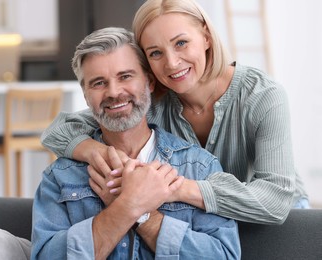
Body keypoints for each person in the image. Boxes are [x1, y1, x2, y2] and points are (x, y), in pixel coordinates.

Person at [41, 0, 309, 224]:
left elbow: (275, 201)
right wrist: (98, 153)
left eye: (181, 43)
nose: (171, 62)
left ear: (205, 36)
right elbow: (58, 130)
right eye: (156, 53)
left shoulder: (263, 96)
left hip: (277, 225)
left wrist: (174, 188)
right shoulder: (154, 102)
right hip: (211, 221)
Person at [31, 27, 240, 260]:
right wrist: (127, 207)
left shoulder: (199, 167)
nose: (114, 92)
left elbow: (223, 256)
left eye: (125, 76)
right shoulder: (59, 177)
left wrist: (144, 215)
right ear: (85, 94)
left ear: (149, 82)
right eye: (98, 83)